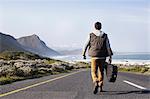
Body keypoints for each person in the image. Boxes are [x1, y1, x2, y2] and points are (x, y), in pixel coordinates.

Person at [82, 22, 113, 94]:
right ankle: (100, 86)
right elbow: (108, 46)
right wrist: (110, 56)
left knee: (93, 71)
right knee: (101, 72)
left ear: (94, 27)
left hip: (94, 56)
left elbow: (85, 44)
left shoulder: (91, 34)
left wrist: (84, 54)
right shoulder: (105, 35)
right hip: (102, 56)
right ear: (101, 27)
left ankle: (95, 80)